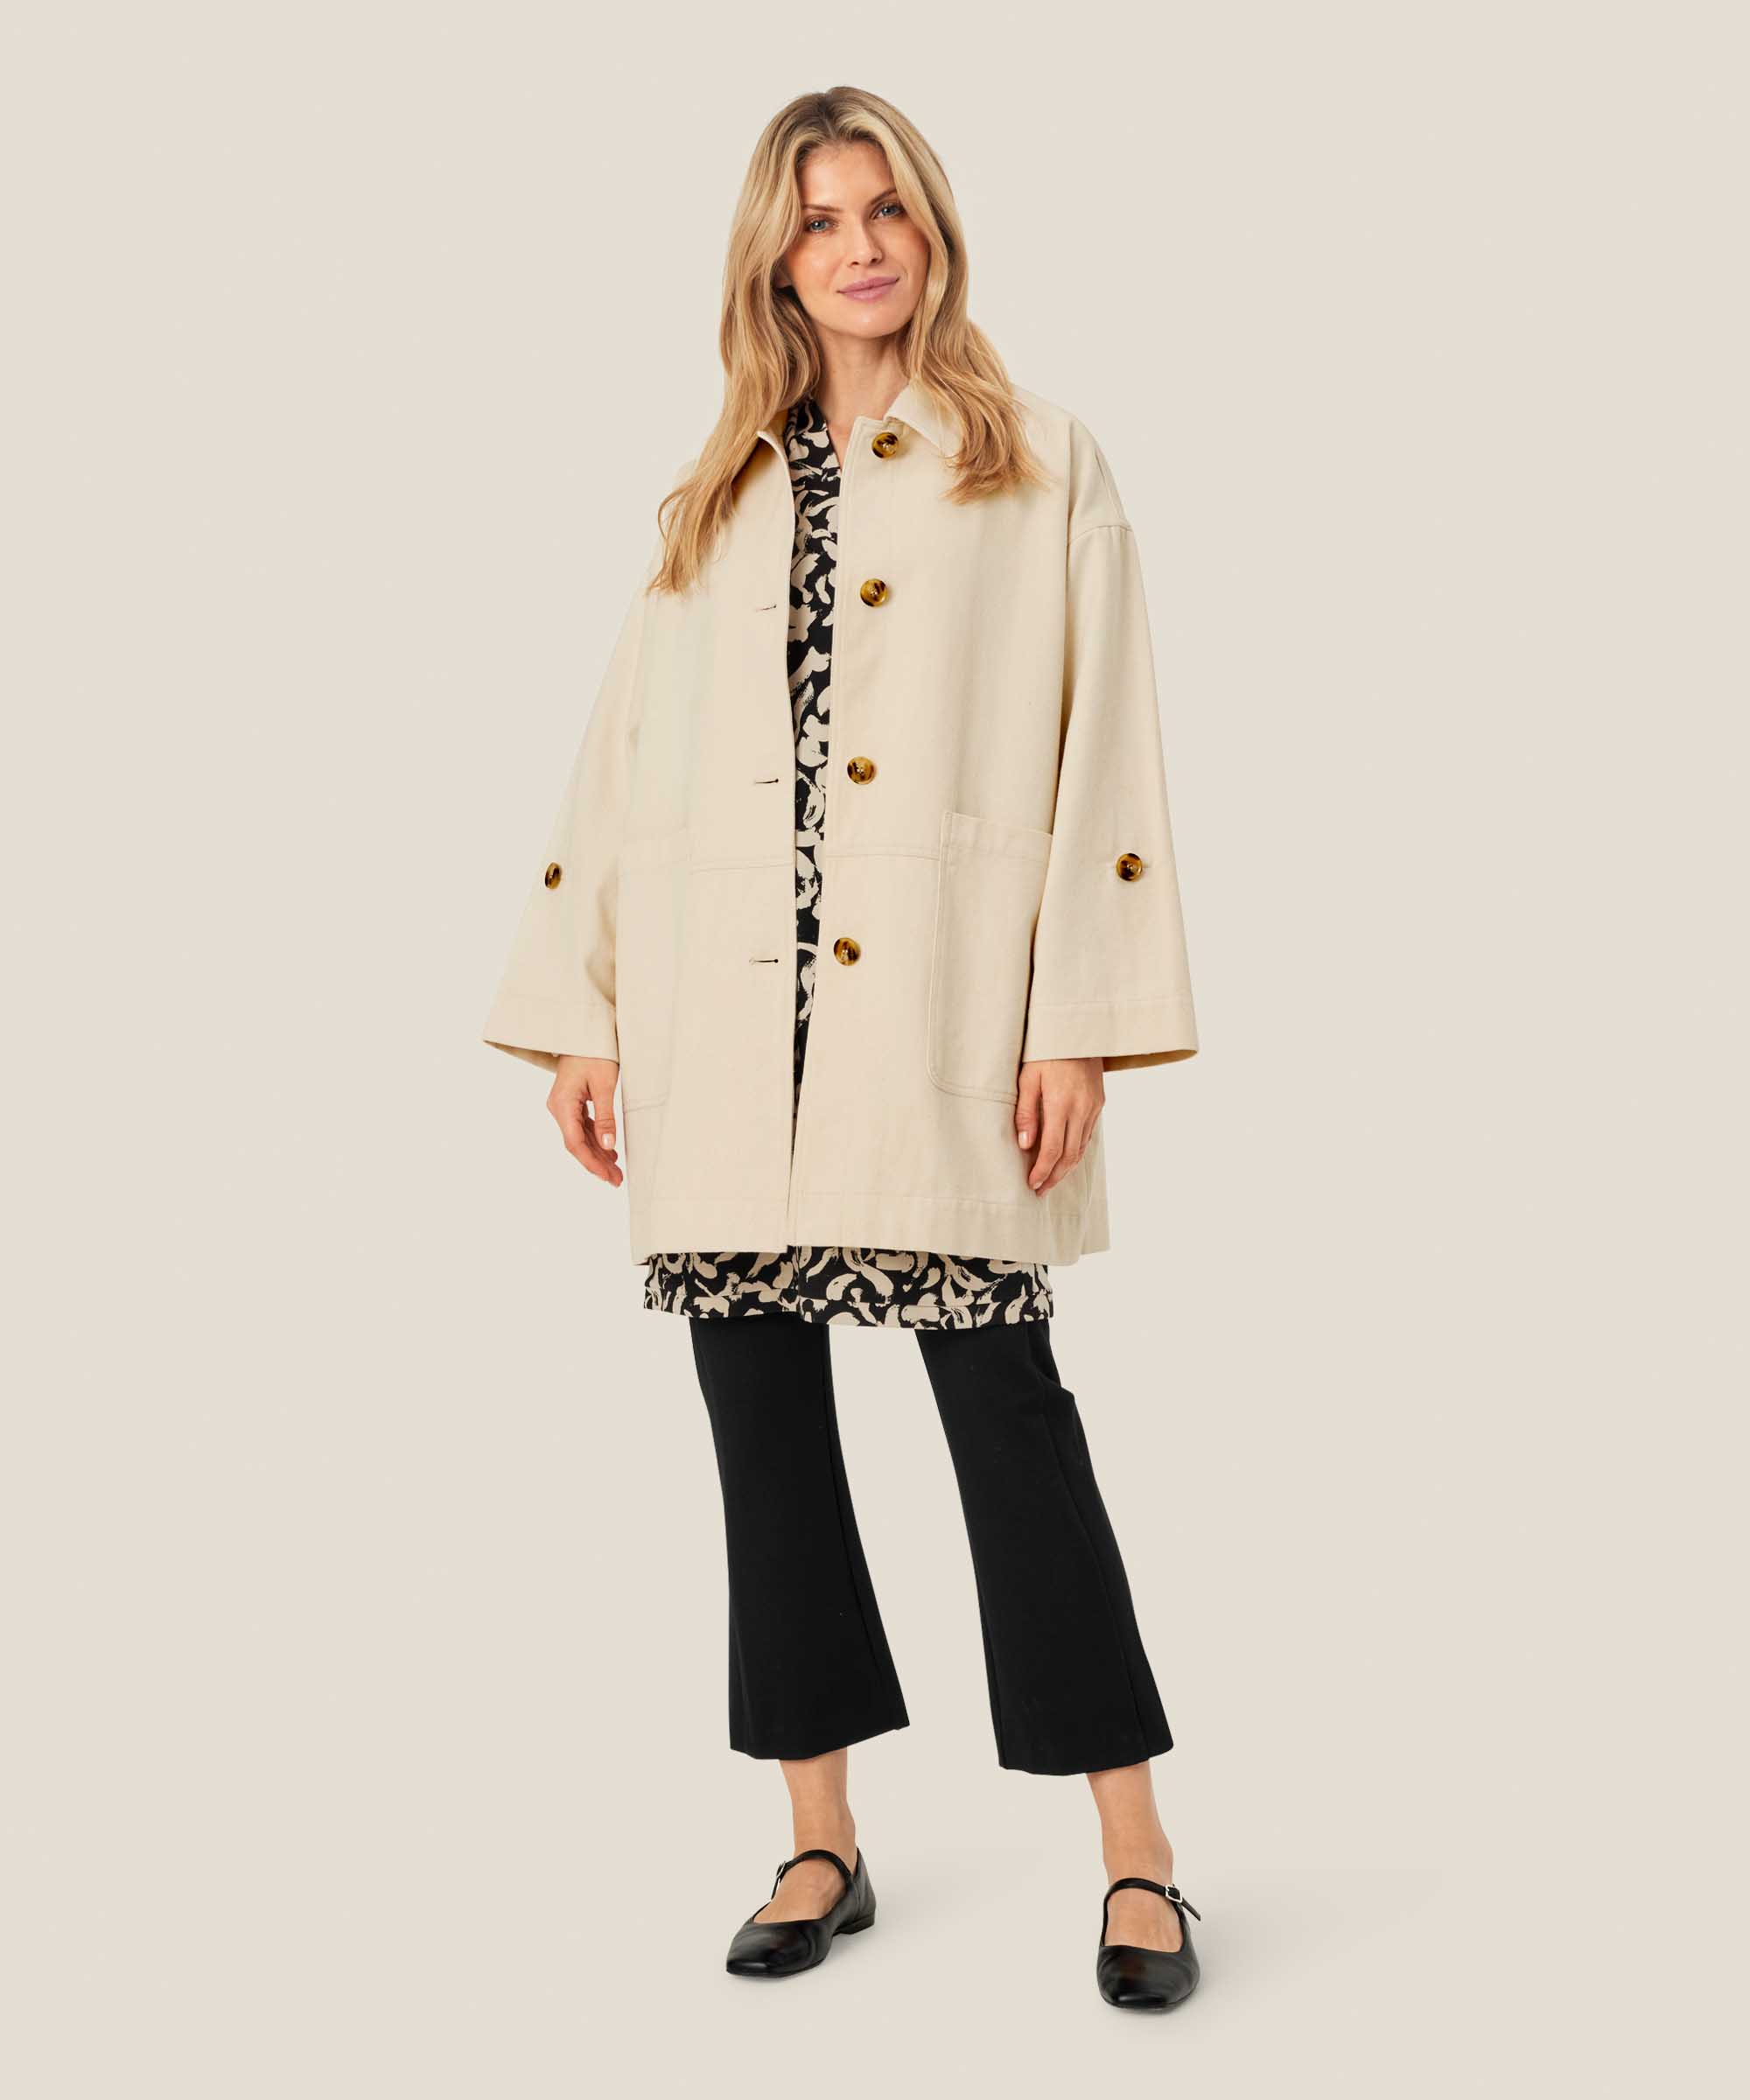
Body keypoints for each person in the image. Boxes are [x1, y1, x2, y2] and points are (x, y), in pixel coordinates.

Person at [481, 86, 1203, 2012]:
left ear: (930, 229)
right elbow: (624, 762)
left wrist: (1078, 1022)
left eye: (885, 208)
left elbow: (1106, 749)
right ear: (772, 258)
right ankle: (821, 1835)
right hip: (726, 1031)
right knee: (765, 1437)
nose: (859, 246)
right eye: (818, 220)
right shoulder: (711, 494)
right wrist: (581, 1011)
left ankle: (1138, 1853)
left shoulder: (1037, 463)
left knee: (1008, 1421)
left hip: (942, 1020)